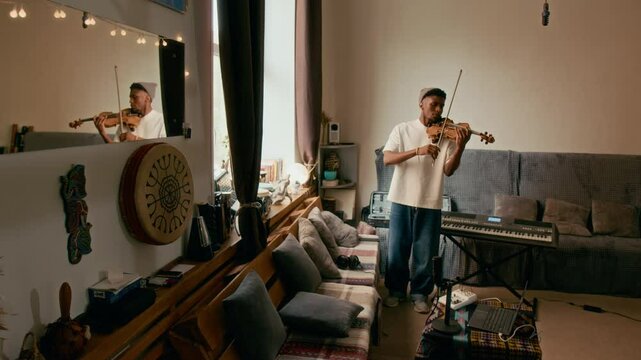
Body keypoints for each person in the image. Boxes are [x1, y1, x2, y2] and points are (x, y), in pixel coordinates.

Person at [382, 87, 470, 313]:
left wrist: (460, 147)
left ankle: (420, 293)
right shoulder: (402, 130)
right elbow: (388, 158)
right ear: (421, 103)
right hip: (402, 198)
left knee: (425, 251)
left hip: (430, 200)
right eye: (434, 104)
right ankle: (396, 290)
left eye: (442, 105)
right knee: (397, 249)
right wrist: (418, 150)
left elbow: (449, 170)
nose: (439, 109)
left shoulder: (446, 134)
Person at [94, 82, 166, 143]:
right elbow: (115, 151)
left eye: (135, 97)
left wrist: (135, 139)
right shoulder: (126, 121)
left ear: (147, 98)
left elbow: (163, 147)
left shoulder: (161, 120)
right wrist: (103, 133)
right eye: (130, 98)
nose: (130, 101)